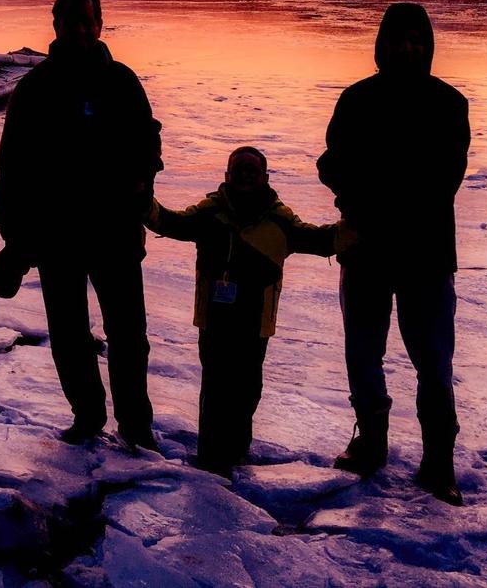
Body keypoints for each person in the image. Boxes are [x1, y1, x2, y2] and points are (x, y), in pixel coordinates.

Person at [0, 0, 163, 449]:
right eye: (73, 23)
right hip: (57, 234)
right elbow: (12, 165)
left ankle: (135, 424)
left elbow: (148, 144)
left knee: (129, 334)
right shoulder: (36, 88)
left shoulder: (123, 82)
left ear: (101, 25)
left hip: (115, 232)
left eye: (90, 22)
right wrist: (13, 237)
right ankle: (87, 415)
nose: (83, 30)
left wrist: (142, 183)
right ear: (58, 28)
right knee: (69, 335)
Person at [317, 2, 470, 505]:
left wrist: (374, 188)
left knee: (434, 362)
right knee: (363, 352)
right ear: (382, 45)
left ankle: (438, 461)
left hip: (426, 254)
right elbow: (332, 163)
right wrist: (358, 196)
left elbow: (443, 179)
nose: (408, 49)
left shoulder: (449, 104)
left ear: (427, 46)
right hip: (365, 250)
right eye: (398, 40)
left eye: (416, 40)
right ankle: (371, 441)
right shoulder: (356, 100)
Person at [146, 146, 345, 475]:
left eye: (252, 169)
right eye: (239, 169)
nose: (246, 175)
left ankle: (237, 451)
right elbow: (172, 223)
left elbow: (321, 241)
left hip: (255, 322)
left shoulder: (280, 220)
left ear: (265, 177)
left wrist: (355, 224)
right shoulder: (211, 213)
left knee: (247, 387)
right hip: (215, 318)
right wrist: (141, 198)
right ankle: (210, 459)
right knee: (215, 385)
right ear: (227, 175)